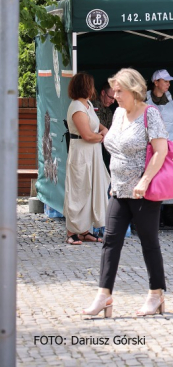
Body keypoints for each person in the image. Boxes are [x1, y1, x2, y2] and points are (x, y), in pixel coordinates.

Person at [83, 68, 169, 318]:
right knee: (110, 241)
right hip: (118, 190)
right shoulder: (119, 113)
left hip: (143, 192)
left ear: (134, 91)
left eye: (120, 91)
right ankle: (104, 295)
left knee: (148, 243)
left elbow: (160, 151)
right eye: (114, 90)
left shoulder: (150, 114)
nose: (115, 95)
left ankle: (156, 294)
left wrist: (144, 180)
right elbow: (115, 146)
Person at [63, 72, 110, 245]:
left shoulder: (88, 104)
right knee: (78, 190)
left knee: (91, 189)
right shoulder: (76, 107)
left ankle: (84, 231)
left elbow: (95, 125)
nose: (93, 88)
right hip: (81, 153)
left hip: (93, 153)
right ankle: (71, 232)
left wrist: (103, 130)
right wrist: (102, 137)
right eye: (90, 85)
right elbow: (87, 135)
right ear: (85, 87)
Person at [146, 69, 173, 226]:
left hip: (172, 144)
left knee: (171, 177)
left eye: (169, 81)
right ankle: (155, 215)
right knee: (154, 178)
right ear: (156, 82)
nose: (168, 84)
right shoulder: (144, 100)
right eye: (165, 81)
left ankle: (170, 213)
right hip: (151, 146)